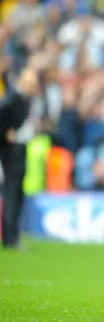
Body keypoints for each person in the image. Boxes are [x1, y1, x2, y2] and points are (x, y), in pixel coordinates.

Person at [0, 68, 39, 250]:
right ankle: (10, 238)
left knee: (15, 194)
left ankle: (12, 236)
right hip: (12, 152)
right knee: (12, 194)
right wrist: (5, 134)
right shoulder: (13, 98)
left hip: (18, 150)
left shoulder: (19, 98)